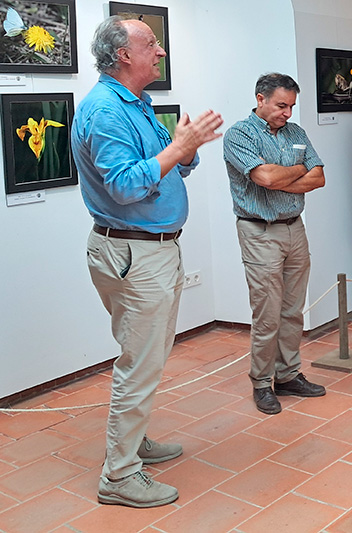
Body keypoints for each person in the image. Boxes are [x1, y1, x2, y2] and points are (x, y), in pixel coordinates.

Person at [72, 17, 223, 507]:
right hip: (134, 252)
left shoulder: (135, 102)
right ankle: (118, 476)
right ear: (123, 55)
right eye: (151, 44)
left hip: (146, 250)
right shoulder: (106, 111)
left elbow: (169, 161)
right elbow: (124, 184)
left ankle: (132, 443)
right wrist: (178, 147)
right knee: (139, 365)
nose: (159, 52)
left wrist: (184, 149)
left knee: (145, 359)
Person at [223, 73, 327, 415]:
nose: (287, 113)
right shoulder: (239, 134)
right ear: (260, 99)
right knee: (267, 314)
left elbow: (319, 177)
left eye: (291, 106)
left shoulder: (296, 133)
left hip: (295, 228)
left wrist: (281, 176)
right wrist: (296, 171)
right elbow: (262, 177)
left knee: (292, 310)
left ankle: (287, 374)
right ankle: (261, 383)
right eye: (281, 105)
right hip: (259, 231)